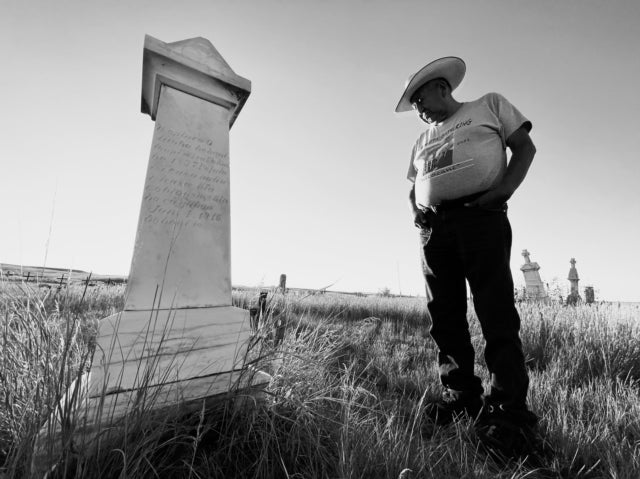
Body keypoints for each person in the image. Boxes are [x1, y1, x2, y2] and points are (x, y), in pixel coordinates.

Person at [396, 57, 542, 460]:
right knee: (443, 314)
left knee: (494, 311)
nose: (418, 108)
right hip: (434, 230)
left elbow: (525, 148)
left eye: (420, 98)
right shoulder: (422, 140)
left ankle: (508, 412)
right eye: (413, 104)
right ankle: (461, 395)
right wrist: (416, 213)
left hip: (481, 217)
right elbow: (414, 186)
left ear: (442, 87)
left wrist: (503, 191)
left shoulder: (489, 105)